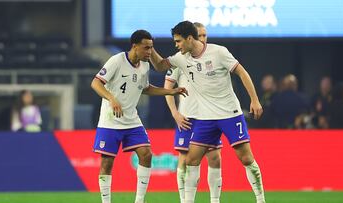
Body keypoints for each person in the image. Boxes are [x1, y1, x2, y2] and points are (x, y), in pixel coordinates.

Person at [150, 21, 265, 203]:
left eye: (178, 41)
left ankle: (260, 199)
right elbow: (160, 66)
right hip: (205, 118)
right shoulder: (181, 57)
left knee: (245, 158)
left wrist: (255, 100)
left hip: (229, 113)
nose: (176, 45)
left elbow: (242, 73)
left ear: (189, 38)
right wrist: (150, 50)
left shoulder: (218, 52)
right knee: (190, 160)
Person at [91, 30, 188, 203]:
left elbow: (145, 88)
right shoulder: (117, 60)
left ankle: (139, 200)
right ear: (134, 46)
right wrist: (112, 98)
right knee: (107, 163)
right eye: (146, 48)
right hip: (110, 121)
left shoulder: (145, 65)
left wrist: (170, 91)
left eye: (151, 48)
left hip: (131, 120)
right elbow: (96, 82)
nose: (150, 52)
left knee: (146, 154)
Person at [164, 22, 222, 203]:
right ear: (191, 37)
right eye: (200, 35)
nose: (202, 39)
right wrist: (175, 113)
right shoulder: (179, 59)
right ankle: (185, 200)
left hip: (209, 116)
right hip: (187, 117)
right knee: (184, 158)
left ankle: (214, 200)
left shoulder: (212, 56)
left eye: (205, 35)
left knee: (215, 157)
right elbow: (168, 87)